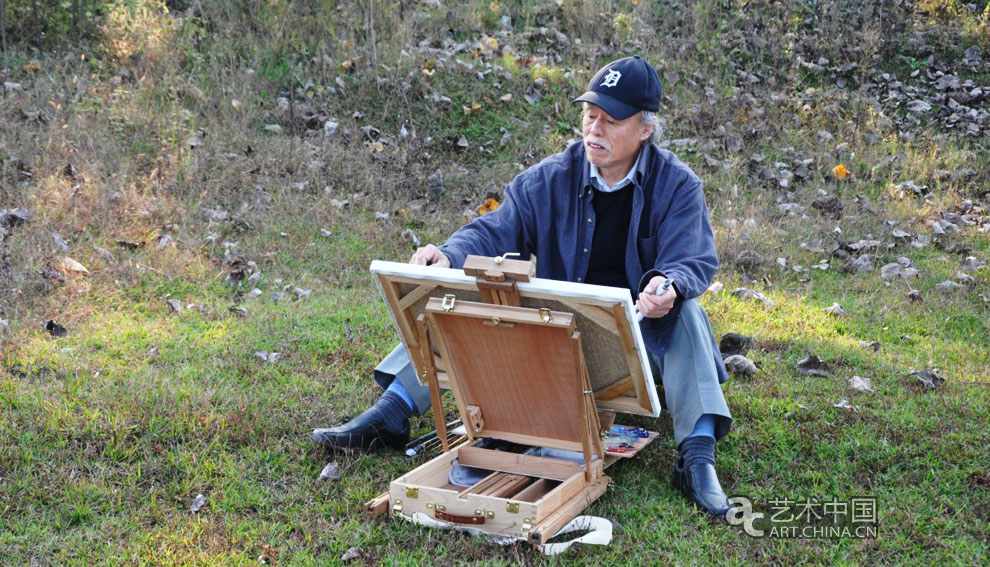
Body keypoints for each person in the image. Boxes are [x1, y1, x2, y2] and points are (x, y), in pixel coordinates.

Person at [313, 56, 734, 518]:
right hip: (557, 341)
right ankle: (391, 413)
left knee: (688, 313)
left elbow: (691, 259)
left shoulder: (679, 186)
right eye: (590, 115)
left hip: (641, 341)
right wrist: (449, 255)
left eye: (611, 120)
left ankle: (696, 458)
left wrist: (667, 285)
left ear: (645, 128)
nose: (595, 129)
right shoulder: (550, 177)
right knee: (457, 294)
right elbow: (496, 229)